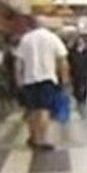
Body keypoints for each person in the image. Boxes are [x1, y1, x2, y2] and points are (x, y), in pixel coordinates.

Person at [14, 17, 68, 150]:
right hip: (47, 80)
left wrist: (18, 80)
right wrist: (65, 80)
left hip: (29, 80)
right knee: (44, 109)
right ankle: (41, 139)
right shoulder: (53, 38)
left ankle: (33, 138)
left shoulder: (26, 39)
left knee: (31, 109)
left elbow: (18, 62)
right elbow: (62, 61)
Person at [68, 36, 87, 107]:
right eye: (79, 41)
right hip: (75, 73)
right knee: (76, 86)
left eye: (81, 41)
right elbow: (69, 61)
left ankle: (83, 99)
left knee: (86, 85)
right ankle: (78, 98)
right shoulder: (72, 51)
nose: (80, 43)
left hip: (85, 72)